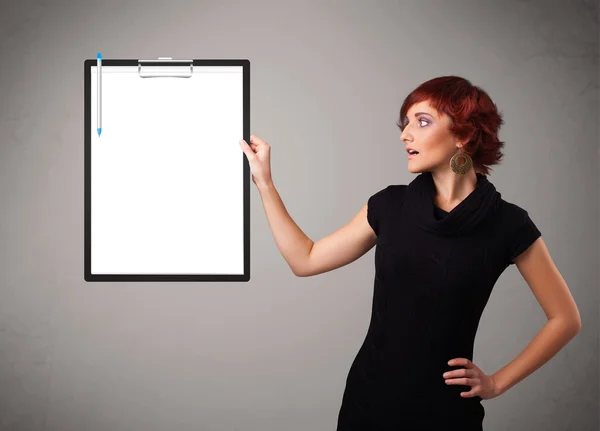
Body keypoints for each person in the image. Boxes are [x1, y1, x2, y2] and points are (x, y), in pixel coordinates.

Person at [238, 76, 582, 430]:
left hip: (447, 414)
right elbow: (305, 260)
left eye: (422, 121)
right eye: (406, 124)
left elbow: (566, 319)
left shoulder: (508, 224)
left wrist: (496, 383)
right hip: (367, 406)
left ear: (463, 134)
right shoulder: (388, 206)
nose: (406, 135)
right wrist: (265, 183)